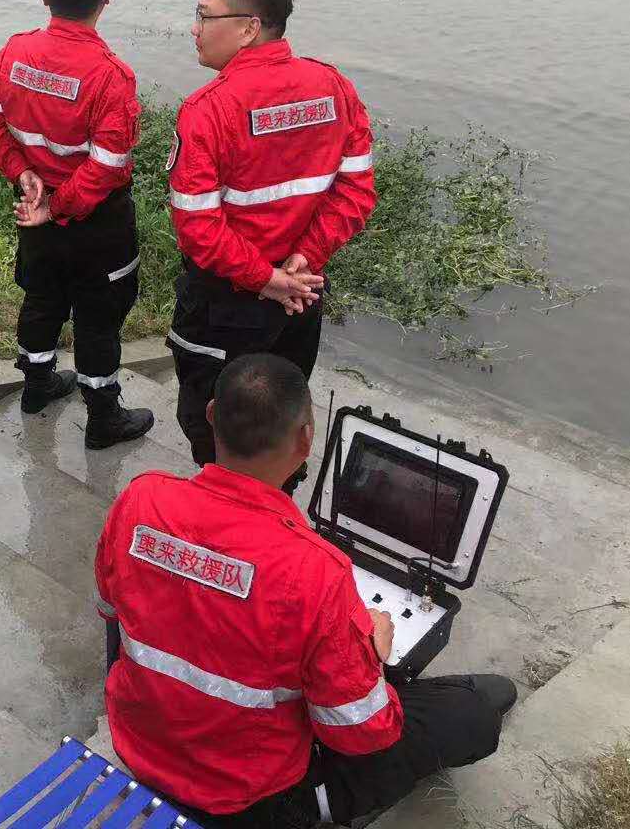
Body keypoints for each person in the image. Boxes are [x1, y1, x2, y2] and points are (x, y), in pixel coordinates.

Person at [93, 354, 516, 828]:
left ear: (211, 415)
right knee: (477, 706)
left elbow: (111, 611)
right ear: (306, 439)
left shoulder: (140, 499)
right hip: (252, 798)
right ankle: (317, 805)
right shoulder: (315, 571)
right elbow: (361, 732)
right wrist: (369, 650)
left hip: (141, 745)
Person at [166, 0, 377, 476]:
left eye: (204, 16)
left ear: (248, 28)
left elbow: (197, 226)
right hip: (301, 295)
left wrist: (266, 279)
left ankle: (226, 505)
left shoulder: (209, 109)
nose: (194, 28)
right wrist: (304, 260)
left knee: (215, 422)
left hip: (227, 304)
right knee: (280, 413)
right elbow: (356, 190)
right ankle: (278, 495)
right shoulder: (334, 87)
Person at [0, 0, 154, 449]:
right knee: (99, 319)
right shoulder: (110, 77)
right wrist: (59, 206)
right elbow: (107, 165)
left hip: (35, 209)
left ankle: (36, 387)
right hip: (94, 222)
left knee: (41, 297)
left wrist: (21, 174)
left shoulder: (14, 53)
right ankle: (103, 418)